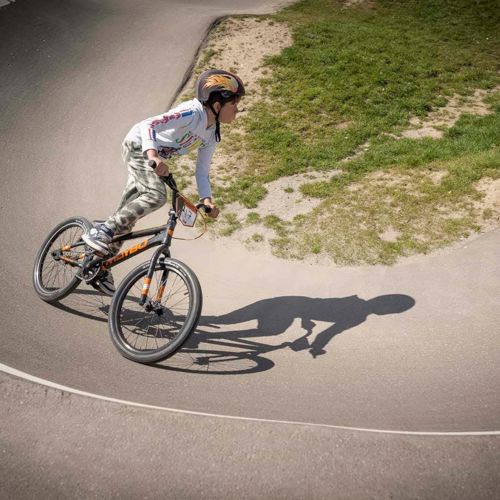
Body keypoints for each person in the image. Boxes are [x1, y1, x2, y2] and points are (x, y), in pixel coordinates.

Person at [82, 69, 245, 293]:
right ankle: (102, 231)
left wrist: (207, 200)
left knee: (128, 216)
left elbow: (202, 172)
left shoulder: (211, 134)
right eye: (234, 104)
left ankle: (97, 264)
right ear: (217, 105)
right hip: (139, 146)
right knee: (156, 196)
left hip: (153, 160)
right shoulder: (192, 113)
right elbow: (148, 125)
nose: (237, 110)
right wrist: (153, 155)